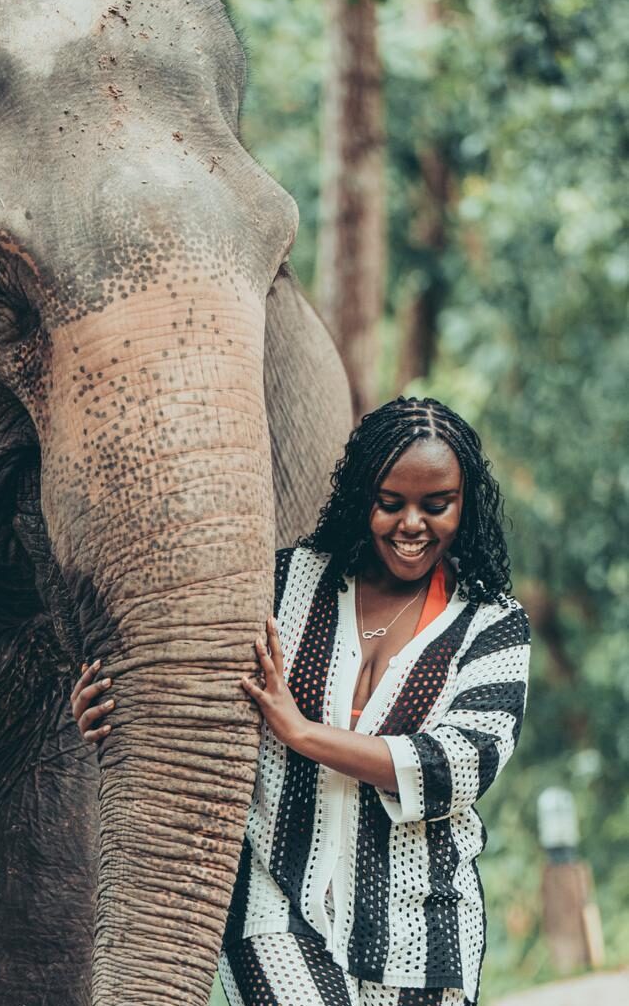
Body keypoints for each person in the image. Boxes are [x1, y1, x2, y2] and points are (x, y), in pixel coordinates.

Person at [71, 397, 530, 1006]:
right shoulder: (282, 585)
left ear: (464, 506)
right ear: (360, 496)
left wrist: (301, 733)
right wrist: (113, 714)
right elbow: (195, 694)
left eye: (435, 505)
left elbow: (458, 765)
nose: (411, 525)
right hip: (274, 903)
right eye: (389, 503)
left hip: (426, 925)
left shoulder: (493, 624)